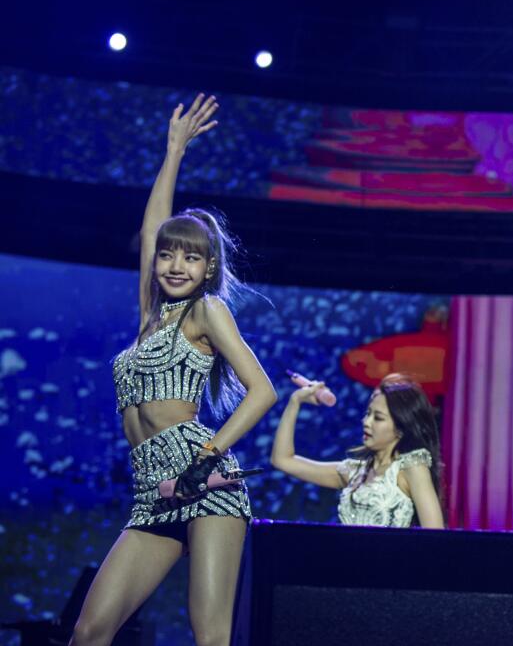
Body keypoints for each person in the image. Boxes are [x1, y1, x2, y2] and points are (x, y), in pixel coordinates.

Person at [73, 94, 278, 646]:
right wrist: (174, 151)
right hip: (152, 492)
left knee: (210, 636)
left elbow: (262, 392)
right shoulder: (149, 316)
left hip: (204, 484)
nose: (174, 265)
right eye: (168, 256)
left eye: (190, 257)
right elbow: (153, 229)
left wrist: (202, 464)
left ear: (208, 267)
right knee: (90, 633)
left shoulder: (205, 311)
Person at [271, 374, 445, 529]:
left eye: (378, 418)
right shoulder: (354, 473)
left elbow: (435, 539)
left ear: (401, 428)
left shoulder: (411, 469)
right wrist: (295, 401)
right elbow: (282, 460)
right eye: (368, 413)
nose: (366, 422)